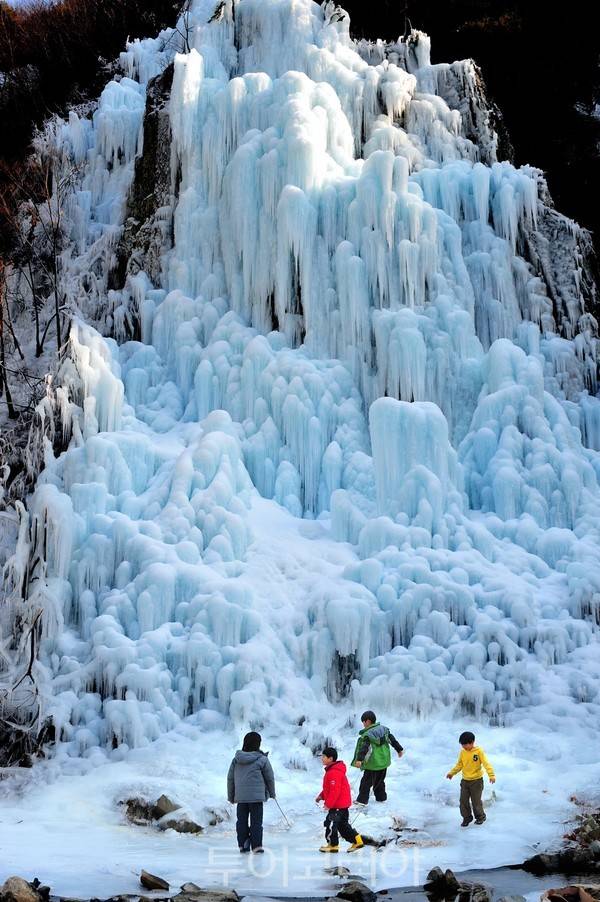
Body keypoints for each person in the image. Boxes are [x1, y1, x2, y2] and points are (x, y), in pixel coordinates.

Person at [227, 731, 276, 853]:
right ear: (258, 744)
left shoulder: (236, 760)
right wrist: (272, 793)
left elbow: (230, 778)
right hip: (256, 798)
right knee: (256, 823)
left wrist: (231, 796)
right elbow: (269, 777)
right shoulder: (262, 759)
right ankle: (256, 846)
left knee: (241, 822)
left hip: (241, 798)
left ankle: (243, 845)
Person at [316, 746, 364, 853]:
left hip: (337, 805)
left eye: (324, 756)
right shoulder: (333, 771)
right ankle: (357, 840)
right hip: (341, 804)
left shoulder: (334, 772)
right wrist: (321, 796)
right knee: (343, 826)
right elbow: (329, 789)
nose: (322, 758)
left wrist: (328, 804)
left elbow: (335, 791)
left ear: (330, 759)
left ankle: (333, 845)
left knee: (330, 824)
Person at [352, 710, 403, 804]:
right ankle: (381, 798)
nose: (363, 724)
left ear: (367, 721)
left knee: (365, 783)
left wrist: (359, 760)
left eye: (363, 722)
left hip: (373, 764)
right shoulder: (384, 730)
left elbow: (364, 748)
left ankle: (361, 801)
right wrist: (399, 749)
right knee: (379, 781)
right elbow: (392, 740)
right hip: (383, 762)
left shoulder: (368, 735)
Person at [446, 731, 496, 826]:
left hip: (476, 781)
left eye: (465, 744)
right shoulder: (462, 752)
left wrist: (491, 775)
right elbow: (459, 764)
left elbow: (486, 764)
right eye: (462, 745)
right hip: (465, 781)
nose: (464, 747)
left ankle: (481, 817)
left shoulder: (479, 751)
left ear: (472, 742)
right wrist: (452, 773)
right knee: (463, 801)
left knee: (475, 801)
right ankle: (467, 818)